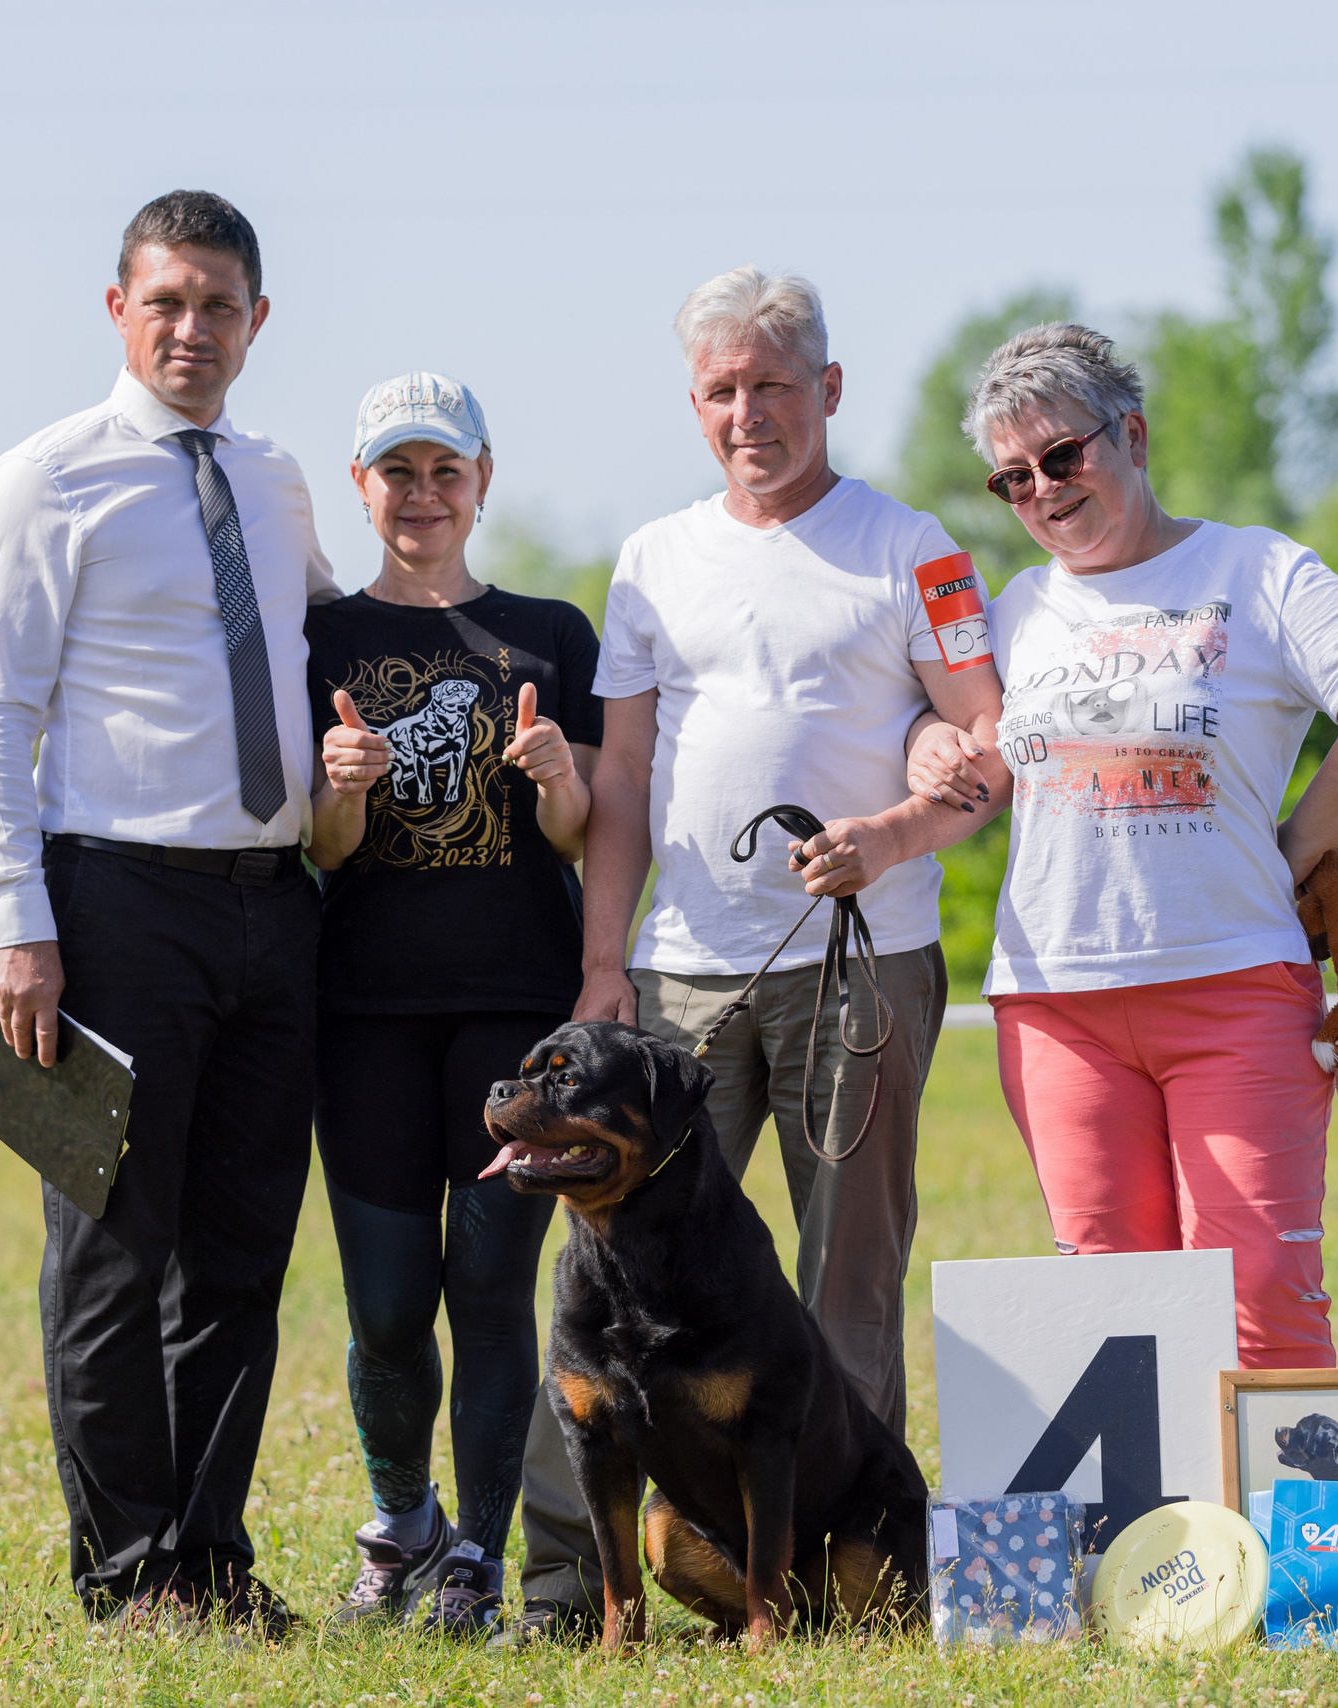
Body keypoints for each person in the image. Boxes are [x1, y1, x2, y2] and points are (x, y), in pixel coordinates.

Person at [507, 266, 1012, 1644]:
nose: (749, 412)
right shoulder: (650, 559)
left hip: (865, 965)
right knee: (605, 1277)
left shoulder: (916, 549)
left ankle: (855, 1577)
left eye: (774, 385)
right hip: (680, 975)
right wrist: (605, 961)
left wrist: (893, 836)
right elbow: (623, 775)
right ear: (694, 403)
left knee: (847, 1271)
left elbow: (988, 751)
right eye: (722, 390)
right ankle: (575, 1587)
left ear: (829, 390)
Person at [904, 323, 1338, 1368]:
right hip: (1053, 1000)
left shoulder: (1254, 566)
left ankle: (1289, 1532)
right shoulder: (1015, 608)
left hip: (1233, 981)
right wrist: (931, 738)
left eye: (1064, 455)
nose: (1045, 490)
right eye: (1012, 479)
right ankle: (1152, 1537)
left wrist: (1293, 845)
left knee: (1262, 1287)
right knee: (1114, 1308)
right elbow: (969, 748)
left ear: (1133, 435)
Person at [0, 191, 338, 1634]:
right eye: (166, 300)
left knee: (242, 1255)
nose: (192, 328)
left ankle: (211, 1561)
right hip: (110, 906)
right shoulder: (45, 479)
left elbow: (323, 653)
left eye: (219, 303)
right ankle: (127, 1580)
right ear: (118, 307)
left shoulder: (280, 479)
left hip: (274, 910)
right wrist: (16, 920)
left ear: (258, 320)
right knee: (114, 1254)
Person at [301, 373, 601, 1640]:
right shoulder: (317, 641)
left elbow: (585, 833)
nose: (422, 496)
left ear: (483, 480)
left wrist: (551, 775)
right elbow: (314, 849)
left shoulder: (550, 633)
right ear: (361, 485)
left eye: (446, 471)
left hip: (513, 1013)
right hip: (360, 1012)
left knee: (488, 1289)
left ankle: (478, 1551)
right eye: (396, 473)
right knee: (380, 1301)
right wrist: (346, 787)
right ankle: (401, 1524)